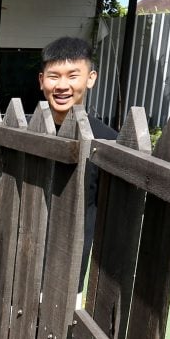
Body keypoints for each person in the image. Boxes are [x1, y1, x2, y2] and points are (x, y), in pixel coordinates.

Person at [38, 37, 117, 302]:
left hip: (73, 267)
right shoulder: (22, 129)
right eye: (53, 76)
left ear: (90, 78)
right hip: (21, 256)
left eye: (73, 75)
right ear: (42, 81)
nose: (62, 86)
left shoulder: (108, 141)